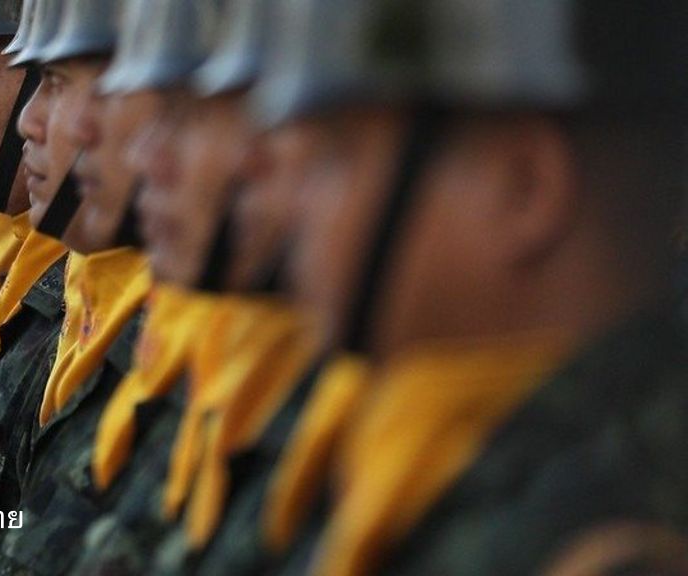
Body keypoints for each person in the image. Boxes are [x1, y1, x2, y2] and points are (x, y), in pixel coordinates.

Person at [245, 1, 688, 575]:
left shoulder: (607, 544)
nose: (288, 207)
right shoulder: (468, 461)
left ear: (524, 187)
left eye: (334, 159)